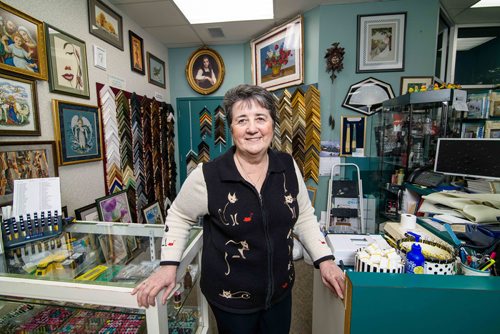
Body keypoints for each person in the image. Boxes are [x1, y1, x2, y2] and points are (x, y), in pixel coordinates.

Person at [132, 84, 345, 333]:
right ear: (231, 128)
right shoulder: (208, 176)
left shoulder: (287, 167)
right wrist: (168, 265)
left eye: (260, 119)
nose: (252, 128)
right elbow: (179, 216)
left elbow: (304, 216)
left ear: (272, 125)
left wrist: (326, 260)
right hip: (229, 298)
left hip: (280, 290)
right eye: (242, 120)